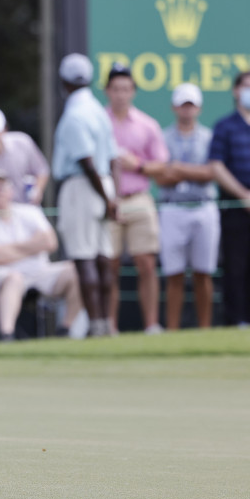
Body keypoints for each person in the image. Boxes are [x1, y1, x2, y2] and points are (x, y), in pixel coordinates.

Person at [0, 170, 82, 341]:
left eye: (2, 188)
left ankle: (65, 330)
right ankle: (7, 335)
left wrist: (9, 250)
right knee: (14, 278)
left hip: (40, 272)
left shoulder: (30, 212)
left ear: (11, 191)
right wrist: (32, 245)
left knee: (78, 270)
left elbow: (50, 243)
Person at [51, 53, 119, 338]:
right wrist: (112, 195)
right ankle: (104, 322)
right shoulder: (99, 111)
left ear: (65, 82)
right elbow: (112, 159)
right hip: (104, 184)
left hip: (84, 186)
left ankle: (96, 325)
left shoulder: (75, 115)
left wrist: (106, 198)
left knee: (85, 258)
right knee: (102, 257)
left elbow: (86, 161)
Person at [141, 84, 219, 330]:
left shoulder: (209, 137)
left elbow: (210, 173)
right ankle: (173, 331)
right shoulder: (162, 136)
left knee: (203, 272)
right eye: (183, 105)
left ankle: (204, 329)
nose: (187, 110)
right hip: (172, 208)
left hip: (203, 207)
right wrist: (193, 172)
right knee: (173, 274)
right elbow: (161, 177)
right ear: (174, 108)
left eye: (191, 105)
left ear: (199, 108)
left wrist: (177, 168)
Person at [208, 70, 250, 327]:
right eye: (248, 86)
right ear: (236, 91)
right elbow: (216, 166)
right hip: (235, 205)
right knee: (235, 267)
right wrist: (244, 195)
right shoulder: (225, 126)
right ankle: (234, 321)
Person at [104, 63, 169, 334]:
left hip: (139, 197)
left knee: (146, 263)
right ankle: (108, 325)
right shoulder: (99, 122)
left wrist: (137, 165)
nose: (121, 94)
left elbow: (161, 166)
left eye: (126, 89)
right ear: (108, 91)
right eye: (116, 89)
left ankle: (152, 324)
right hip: (108, 199)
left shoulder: (147, 124)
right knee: (110, 265)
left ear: (133, 92)